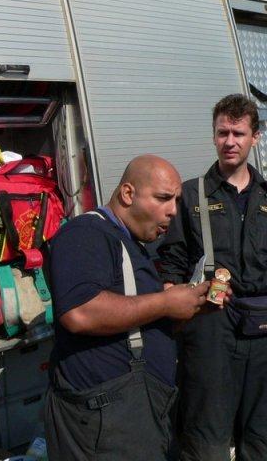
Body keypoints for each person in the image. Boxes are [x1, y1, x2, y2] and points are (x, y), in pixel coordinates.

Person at [45, 155, 211, 461]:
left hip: (132, 414)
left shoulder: (132, 243)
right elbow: (80, 312)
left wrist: (189, 307)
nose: (173, 210)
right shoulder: (86, 233)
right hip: (106, 419)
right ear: (127, 193)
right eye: (162, 198)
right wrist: (165, 302)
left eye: (175, 200)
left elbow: (135, 317)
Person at [158, 94, 267, 461]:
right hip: (210, 328)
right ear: (214, 136)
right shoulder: (190, 195)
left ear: (255, 137)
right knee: (206, 438)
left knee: (262, 437)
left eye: (238, 133)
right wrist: (173, 305)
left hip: (263, 330)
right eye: (223, 133)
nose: (229, 141)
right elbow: (172, 263)